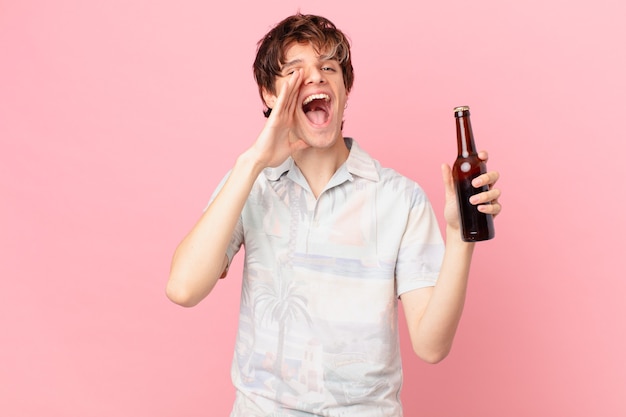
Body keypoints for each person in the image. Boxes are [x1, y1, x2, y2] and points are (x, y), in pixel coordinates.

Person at [166, 13, 502, 417]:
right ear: (269, 95)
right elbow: (183, 289)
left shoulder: (400, 198)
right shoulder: (249, 183)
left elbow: (431, 346)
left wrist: (460, 238)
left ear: (345, 87)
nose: (317, 77)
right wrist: (254, 161)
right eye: (295, 71)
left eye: (329, 67)